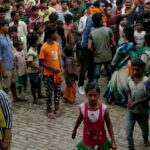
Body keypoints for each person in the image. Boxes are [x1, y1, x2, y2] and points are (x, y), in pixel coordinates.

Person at [72, 83, 116, 150]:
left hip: (101, 141)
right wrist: (74, 130)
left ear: (99, 95)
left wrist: (113, 141)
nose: (92, 98)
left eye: (95, 95)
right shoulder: (83, 107)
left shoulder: (104, 109)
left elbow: (109, 124)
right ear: (86, 94)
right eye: (90, 95)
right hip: (87, 141)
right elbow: (80, 118)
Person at [103, 25, 137, 107]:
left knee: (120, 84)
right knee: (121, 83)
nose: (121, 32)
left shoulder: (125, 45)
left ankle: (121, 100)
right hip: (128, 66)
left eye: (123, 31)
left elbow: (116, 57)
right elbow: (134, 57)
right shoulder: (131, 45)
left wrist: (113, 64)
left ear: (125, 33)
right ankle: (120, 99)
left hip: (122, 67)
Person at [126, 58, 150, 150]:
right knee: (128, 133)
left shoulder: (147, 81)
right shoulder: (129, 79)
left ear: (142, 69)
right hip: (131, 111)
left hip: (143, 112)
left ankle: (145, 139)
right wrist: (129, 99)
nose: (135, 71)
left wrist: (136, 102)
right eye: (133, 69)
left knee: (144, 131)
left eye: (137, 69)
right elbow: (128, 91)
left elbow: (149, 96)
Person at [39, 26, 62, 119]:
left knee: (57, 91)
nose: (57, 34)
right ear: (50, 35)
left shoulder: (56, 44)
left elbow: (59, 57)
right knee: (49, 93)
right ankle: (49, 110)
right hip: (48, 75)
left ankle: (56, 109)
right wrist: (52, 69)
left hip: (57, 73)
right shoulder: (44, 47)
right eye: (55, 33)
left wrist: (61, 67)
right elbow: (41, 62)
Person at [88, 13, 115, 82]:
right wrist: (109, 48)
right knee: (109, 72)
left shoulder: (92, 33)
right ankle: (111, 87)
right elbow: (114, 44)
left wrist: (94, 51)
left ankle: (95, 88)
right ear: (100, 21)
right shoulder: (108, 30)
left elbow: (89, 47)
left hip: (97, 57)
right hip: (107, 56)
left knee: (96, 74)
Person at [0, 19, 20, 101]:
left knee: (13, 82)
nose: (8, 27)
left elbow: (10, 50)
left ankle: (15, 97)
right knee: (5, 86)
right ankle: (5, 101)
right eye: (6, 26)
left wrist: (15, 63)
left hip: (11, 63)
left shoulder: (7, 35)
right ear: (1, 27)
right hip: (5, 66)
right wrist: (3, 71)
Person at [27, 32, 43, 104]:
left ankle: (39, 94)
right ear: (33, 43)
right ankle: (35, 99)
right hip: (32, 72)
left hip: (36, 71)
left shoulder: (34, 48)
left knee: (39, 82)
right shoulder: (31, 52)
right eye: (37, 41)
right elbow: (29, 63)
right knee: (33, 85)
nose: (38, 42)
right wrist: (37, 67)